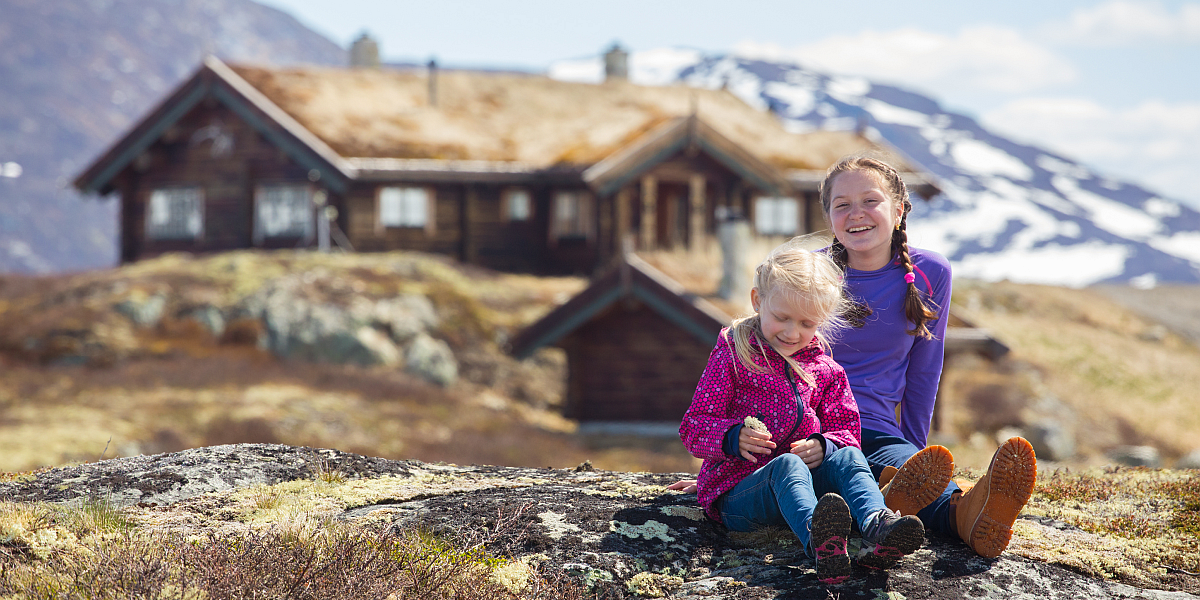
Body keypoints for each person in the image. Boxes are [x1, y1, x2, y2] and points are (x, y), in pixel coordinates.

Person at [672, 155, 1038, 560]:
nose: (856, 214)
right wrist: (724, 477)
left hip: (868, 432)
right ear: (828, 215)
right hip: (798, 439)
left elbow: (925, 370)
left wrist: (914, 455)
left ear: (898, 210)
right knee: (854, 473)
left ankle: (969, 514)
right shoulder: (807, 276)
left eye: (870, 201)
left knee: (890, 471)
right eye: (841, 204)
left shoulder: (930, 270)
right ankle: (917, 504)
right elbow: (735, 384)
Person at [678, 243, 940, 585]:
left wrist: (825, 445)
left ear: (823, 320)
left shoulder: (827, 371)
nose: (791, 332)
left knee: (847, 456)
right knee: (786, 465)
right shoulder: (734, 353)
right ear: (758, 301)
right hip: (739, 492)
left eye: (806, 323)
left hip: (805, 489)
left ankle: (879, 525)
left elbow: (847, 431)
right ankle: (820, 541)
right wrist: (731, 437)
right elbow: (694, 426)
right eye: (781, 317)